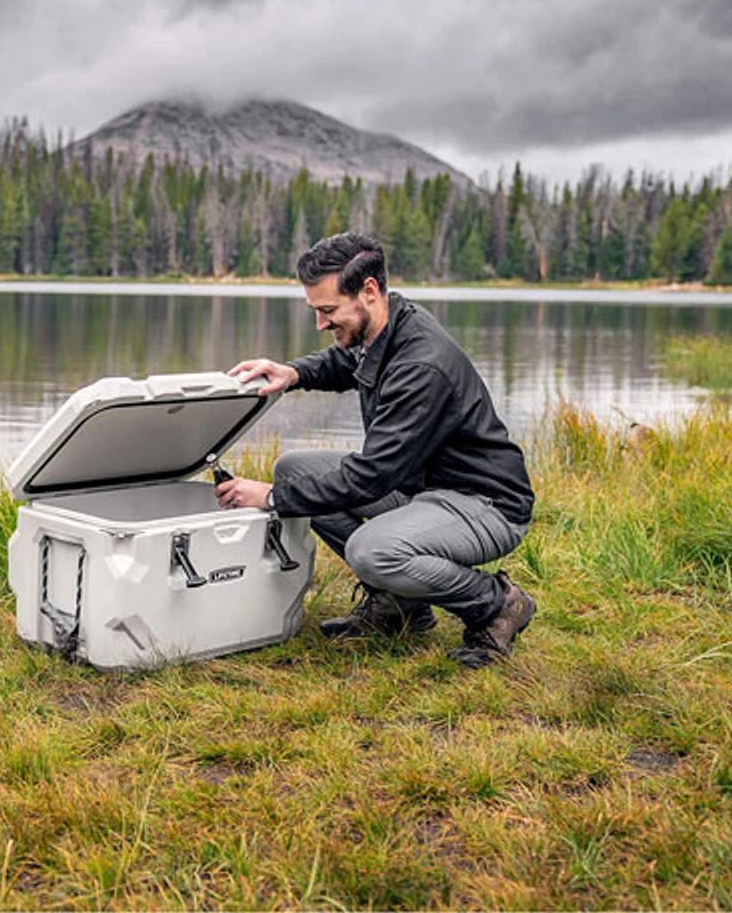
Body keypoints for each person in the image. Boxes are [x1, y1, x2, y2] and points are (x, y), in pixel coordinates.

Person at [216, 232, 536, 668]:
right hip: (421, 487)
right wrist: (293, 373)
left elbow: (372, 476)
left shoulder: (421, 363)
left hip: (484, 502)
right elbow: (349, 360)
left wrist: (271, 498)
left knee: (372, 550)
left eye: (327, 311)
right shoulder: (386, 324)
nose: (321, 324)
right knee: (294, 469)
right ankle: (399, 606)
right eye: (316, 311)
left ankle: (495, 605)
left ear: (368, 291)